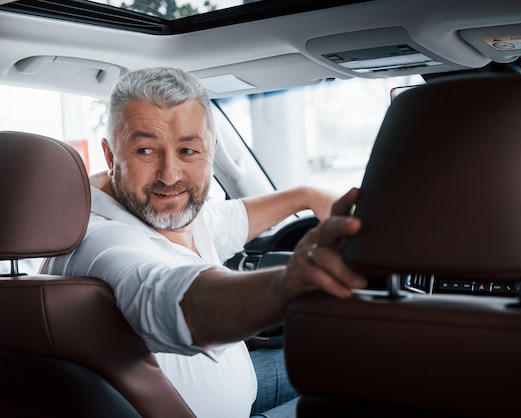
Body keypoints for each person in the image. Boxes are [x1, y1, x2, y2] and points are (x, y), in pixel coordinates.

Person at [42, 67, 366, 418]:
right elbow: (165, 298)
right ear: (110, 156)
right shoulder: (98, 240)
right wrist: (288, 284)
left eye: (187, 151)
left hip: (243, 396)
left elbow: (227, 220)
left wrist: (306, 195)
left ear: (211, 149)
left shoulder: (173, 213)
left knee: (350, 357)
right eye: (146, 151)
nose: (169, 176)